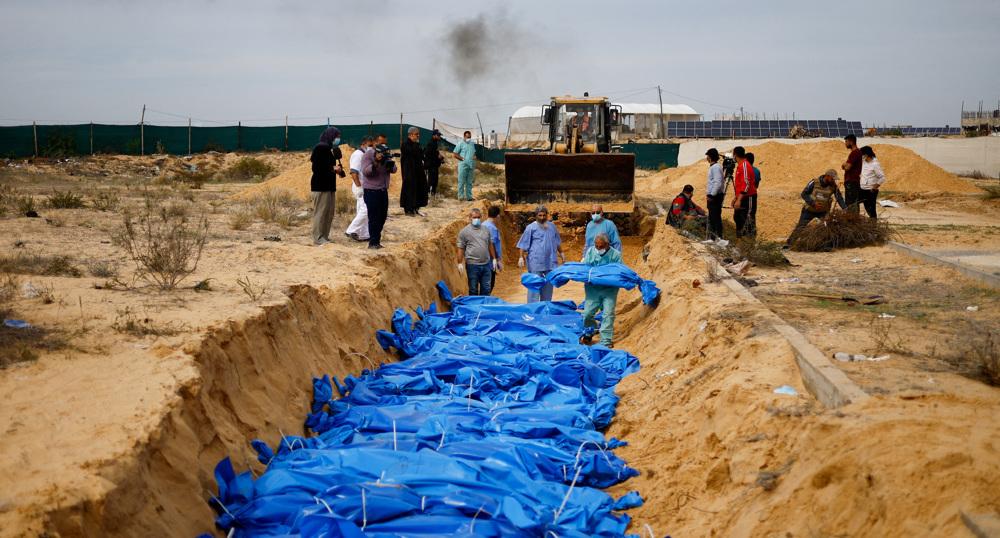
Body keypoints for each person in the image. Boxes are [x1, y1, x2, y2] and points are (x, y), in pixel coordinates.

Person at [515, 205, 566, 303]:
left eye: (544, 215)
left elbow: (556, 242)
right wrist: (521, 257)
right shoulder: (531, 228)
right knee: (534, 286)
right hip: (536, 262)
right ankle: (533, 307)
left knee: (548, 286)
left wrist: (562, 253)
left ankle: (545, 306)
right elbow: (523, 243)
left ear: (547, 215)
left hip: (550, 262)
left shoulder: (552, 226)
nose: (542, 218)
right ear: (536, 216)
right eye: (540, 215)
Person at [581, 232, 623, 348]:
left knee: (608, 313)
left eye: (601, 246)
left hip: (609, 289)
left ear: (608, 245)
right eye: (597, 246)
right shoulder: (590, 252)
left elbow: (619, 271)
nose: (598, 249)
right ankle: (590, 331)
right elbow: (586, 269)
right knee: (587, 313)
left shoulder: (615, 255)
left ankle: (606, 339)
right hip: (592, 289)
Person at [787, 169, 847, 244]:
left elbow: (839, 198)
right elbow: (804, 194)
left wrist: (845, 209)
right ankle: (789, 244)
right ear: (827, 176)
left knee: (829, 227)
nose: (833, 181)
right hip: (809, 211)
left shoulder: (833, 186)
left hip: (823, 212)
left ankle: (828, 244)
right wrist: (813, 203)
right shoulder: (815, 182)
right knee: (800, 227)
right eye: (832, 179)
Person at [360, 133, 396, 250]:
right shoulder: (367, 155)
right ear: (374, 143)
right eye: (381, 143)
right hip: (371, 191)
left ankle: (376, 240)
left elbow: (394, 169)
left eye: (385, 143)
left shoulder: (386, 153)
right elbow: (366, 172)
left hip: (383, 190)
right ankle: (373, 243)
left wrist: (388, 165)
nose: (383, 145)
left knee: (382, 217)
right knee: (374, 217)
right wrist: (376, 162)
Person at [309, 127, 344, 246]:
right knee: (321, 213)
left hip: (329, 186)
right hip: (321, 186)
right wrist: (332, 168)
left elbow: (327, 167)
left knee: (328, 213)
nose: (338, 139)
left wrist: (336, 170)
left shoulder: (329, 149)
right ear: (331, 136)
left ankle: (324, 236)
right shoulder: (321, 148)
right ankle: (318, 238)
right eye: (337, 137)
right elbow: (316, 168)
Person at [457, 208, 498, 296]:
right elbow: (461, 248)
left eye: (478, 217)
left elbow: (490, 244)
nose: (477, 219)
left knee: (486, 289)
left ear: (481, 217)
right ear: (470, 217)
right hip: (472, 265)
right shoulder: (464, 232)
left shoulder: (486, 230)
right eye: (474, 217)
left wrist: (494, 259)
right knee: (473, 290)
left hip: (486, 265)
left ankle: (484, 304)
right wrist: (459, 262)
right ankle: (474, 305)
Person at [344, 135, 373, 242]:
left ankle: (365, 234)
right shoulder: (358, 155)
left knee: (362, 210)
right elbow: (354, 172)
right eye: (370, 145)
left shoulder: (366, 154)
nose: (371, 147)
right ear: (363, 144)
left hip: (365, 186)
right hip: (359, 186)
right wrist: (359, 187)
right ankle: (351, 230)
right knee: (366, 209)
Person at [399, 126, 427, 217]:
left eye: (418, 134)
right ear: (410, 134)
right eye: (416, 134)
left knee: (418, 188)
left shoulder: (417, 144)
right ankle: (408, 209)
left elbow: (420, 155)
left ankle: (415, 207)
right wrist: (414, 143)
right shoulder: (405, 144)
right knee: (409, 189)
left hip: (418, 171)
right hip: (409, 171)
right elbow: (412, 152)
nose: (418, 136)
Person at [731, 146, 757, 237]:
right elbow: (740, 185)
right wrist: (736, 198)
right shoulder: (740, 166)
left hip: (748, 197)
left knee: (748, 219)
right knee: (738, 218)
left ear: (735, 155)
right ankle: (740, 239)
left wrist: (739, 199)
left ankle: (749, 240)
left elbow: (746, 183)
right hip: (741, 197)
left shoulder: (744, 165)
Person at [859, 146, 887, 219]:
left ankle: (874, 223)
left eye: (861, 155)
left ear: (866, 155)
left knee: (871, 210)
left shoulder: (875, 164)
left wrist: (874, 188)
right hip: (863, 189)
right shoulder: (864, 163)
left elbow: (882, 177)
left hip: (870, 191)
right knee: (857, 203)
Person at [482, 205, 504, 290]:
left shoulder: (483, 224)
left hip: (483, 259)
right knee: (489, 286)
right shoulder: (492, 227)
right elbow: (492, 244)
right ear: (497, 216)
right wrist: (497, 259)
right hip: (490, 262)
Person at [705, 148, 725, 239]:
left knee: (715, 218)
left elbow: (718, 183)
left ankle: (716, 237)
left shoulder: (716, 167)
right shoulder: (714, 167)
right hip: (714, 196)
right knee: (713, 218)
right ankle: (713, 237)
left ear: (709, 157)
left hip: (715, 197)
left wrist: (712, 195)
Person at [452, 130, 476, 201]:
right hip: (463, 165)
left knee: (469, 181)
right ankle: (461, 196)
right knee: (461, 181)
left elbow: (474, 152)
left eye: (470, 137)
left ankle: (469, 197)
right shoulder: (460, 144)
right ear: (464, 137)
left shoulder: (472, 144)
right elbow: (455, 154)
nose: (469, 139)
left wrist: (474, 156)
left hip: (471, 165)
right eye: (468, 137)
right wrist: (463, 159)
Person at [842, 134, 862, 213]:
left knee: (851, 204)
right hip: (852, 182)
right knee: (852, 203)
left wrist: (844, 165)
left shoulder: (855, 153)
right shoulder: (855, 153)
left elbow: (847, 167)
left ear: (851, 142)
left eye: (846, 142)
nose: (845, 144)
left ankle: (853, 218)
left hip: (852, 182)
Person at [424, 129, 445, 197]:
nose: (439, 137)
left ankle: (433, 194)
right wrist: (437, 156)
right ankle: (429, 194)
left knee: (435, 181)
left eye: (439, 136)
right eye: (438, 135)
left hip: (435, 165)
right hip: (431, 165)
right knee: (431, 181)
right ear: (434, 135)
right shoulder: (431, 143)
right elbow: (427, 153)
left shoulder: (435, 143)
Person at [746, 152, 761, 230]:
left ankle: (748, 231)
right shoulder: (757, 171)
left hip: (747, 194)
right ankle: (752, 231)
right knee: (752, 214)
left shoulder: (746, 170)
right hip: (753, 194)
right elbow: (757, 184)